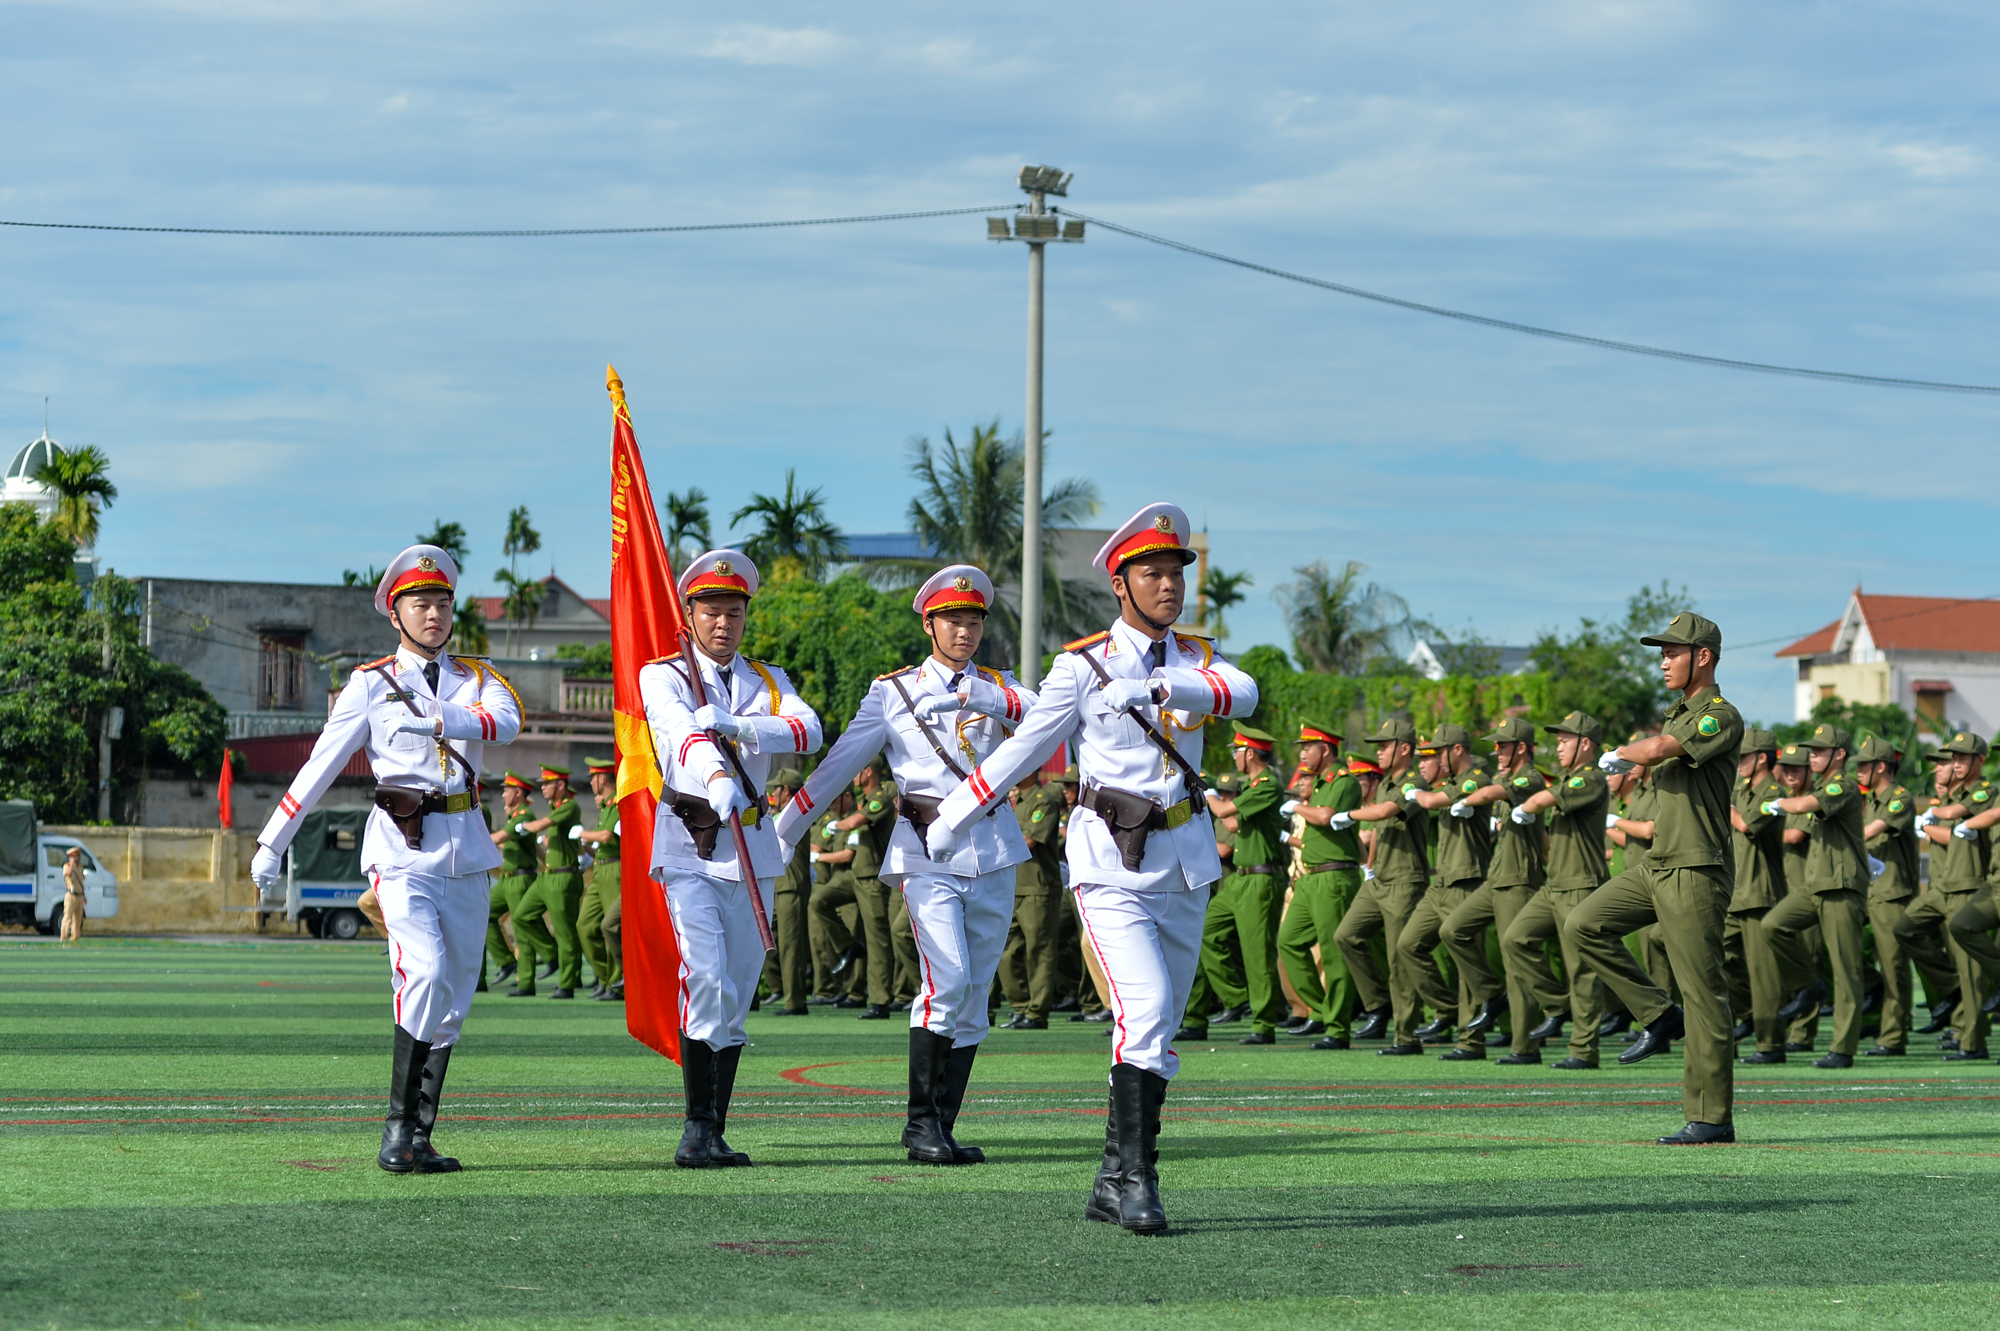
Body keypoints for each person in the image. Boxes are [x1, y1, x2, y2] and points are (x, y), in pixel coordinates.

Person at [924, 503, 1256, 1232]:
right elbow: (1021, 749)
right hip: (1109, 863)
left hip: (1185, 861)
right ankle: (1138, 1179)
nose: (1168, 585)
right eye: (1152, 573)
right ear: (1120, 584)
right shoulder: (1081, 665)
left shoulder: (1196, 659)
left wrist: (1163, 688)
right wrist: (953, 815)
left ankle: (1111, 1179)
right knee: (1144, 1008)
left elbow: (1244, 693)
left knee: (1161, 1024)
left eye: (1175, 573)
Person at [249, 544, 522, 1172]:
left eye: (442, 603)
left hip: (466, 849)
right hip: (401, 850)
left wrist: (441, 718)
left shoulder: (479, 677)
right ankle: (397, 1131)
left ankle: (419, 1135)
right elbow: (320, 766)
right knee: (424, 972)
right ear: (395, 614)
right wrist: (271, 841)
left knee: (454, 994)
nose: (434, 614)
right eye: (420, 604)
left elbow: (508, 723)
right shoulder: (372, 684)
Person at [777, 564, 1036, 1165]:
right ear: (929, 625)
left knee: (975, 993)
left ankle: (942, 1125)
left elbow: (1044, 714)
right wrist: (782, 832)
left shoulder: (1001, 686)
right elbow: (840, 764)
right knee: (947, 980)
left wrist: (982, 696)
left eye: (974, 621)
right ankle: (920, 1124)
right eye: (953, 620)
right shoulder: (892, 693)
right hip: (927, 852)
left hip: (995, 850)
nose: (965, 632)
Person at [639, 548, 823, 1168]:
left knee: (739, 986)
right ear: (689, 614)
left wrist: (741, 727)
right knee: (707, 976)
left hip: (752, 848)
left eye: (734, 613)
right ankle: (695, 1127)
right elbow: (679, 732)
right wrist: (717, 774)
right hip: (691, 844)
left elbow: (808, 731)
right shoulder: (663, 674)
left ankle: (716, 1127)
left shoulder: (768, 681)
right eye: (711, 611)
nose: (723, 623)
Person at [1563, 613, 1742, 1145]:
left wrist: (1620, 753)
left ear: (1702, 657)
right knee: (1583, 925)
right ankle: (1659, 1016)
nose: (1663, 662)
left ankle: (1711, 1117)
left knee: (1703, 993)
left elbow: (1662, 750)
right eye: (1661, 654)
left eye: (1672, 653)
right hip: (1660, 862)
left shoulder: (1719, 716)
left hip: (1696, 867)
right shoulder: (1676, 715)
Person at [1445, 717, 1566, 1065]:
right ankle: (1492, 994)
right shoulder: (1506, 779)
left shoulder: (1531, 778)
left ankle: (1525, 1047)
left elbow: (1490, 794)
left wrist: (1466, 800)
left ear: (1522, 748)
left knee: (1515, 962)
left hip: (1519, 880)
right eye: (1496, 746)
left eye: (1503, 746)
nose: (1497, 752)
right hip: (1497, 877)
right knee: (1453, 930)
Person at [1761, 724, 1870, 1069]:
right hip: (1815, 885)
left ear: (1840, 754)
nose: (1813, 756)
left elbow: (1808, 804)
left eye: (1821, 750)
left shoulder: (1843, 785)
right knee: (1773, 926)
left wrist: (1779, 803)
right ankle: (1809, 985)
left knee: (1846, 969)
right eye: (1813, 750)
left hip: (1840, 886)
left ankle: (1843, 1049)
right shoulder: (1824, 785)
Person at [1333, 721, 1433, 1055]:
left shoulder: (1415, 782)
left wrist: (1350, 814)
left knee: (1399, 961)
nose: (1378, 751)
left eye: (1384, 745)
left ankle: (1407, 1037)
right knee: (1346, 936)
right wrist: (1370, 866)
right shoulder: (1387, 782)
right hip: (1380, 878)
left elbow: (1387, 811)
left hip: (1405, 879)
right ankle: (1379, 1005)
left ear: (1404, 748)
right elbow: (1379, 829)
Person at [1200, 726, 1290, 1045]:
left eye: (1236, 751)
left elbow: (1224, 811)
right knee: (1206, 933)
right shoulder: (1253, 786)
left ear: (1250, 753)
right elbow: (1234, 822)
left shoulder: (1267, 784)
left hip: (1260, 878)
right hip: (1240, 878)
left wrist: (1207, 791)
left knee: (1257, 954)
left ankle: (1264, 1024)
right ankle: (1237, 999)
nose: (1234, 757)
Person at [1279, 722, 1365, 1050]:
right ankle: (1324, 1010)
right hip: (1311, 877)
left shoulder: (1343, 780)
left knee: (1332, 953)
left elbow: (1325, 816)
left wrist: (1296, 807)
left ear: (1324, 749)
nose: (1302, 753)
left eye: (1307, 747)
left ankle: (1338, 1028)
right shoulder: (1319, 783)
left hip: (1334, 876)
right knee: (1288, 942)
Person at [1855, 736, 1924, 1055]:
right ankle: (1875, 1006)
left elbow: (1870, 833)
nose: (1859, 771)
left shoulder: (1899, 798)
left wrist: (1843, 837)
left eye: (1864, 765)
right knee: (1848, 952)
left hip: (1891, 894)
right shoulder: (1870, 800)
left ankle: (1894, 1036)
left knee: (1893, 966)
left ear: (1881, 767)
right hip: (1869, 892)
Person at [1725, 730, 1790, 1064]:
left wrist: (1724, 804)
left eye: (1744, 757)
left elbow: (1748, 825)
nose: (1738, 763)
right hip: (1736, 891)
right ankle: (1750, 1015)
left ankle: (1771, 1044)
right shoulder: (1741, 790)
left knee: (1764, 974)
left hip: (1761, 892)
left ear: (1762, 758)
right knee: (1717, 959)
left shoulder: (1773, 793)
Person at [1000, 770, 1066, 1029]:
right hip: (1014, 886)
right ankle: (1020, 1007)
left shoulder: (1043, 800)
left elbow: (1028, 840)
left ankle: (1036, 1012)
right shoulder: (1015, 801)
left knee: (1039, 951)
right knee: (1007, 951)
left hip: (1038, 887)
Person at [513, 766, 585, 999]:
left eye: (547, 783)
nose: (542, 788)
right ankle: (551, 955)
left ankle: (568, 984)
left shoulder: (568, 806)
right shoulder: (556, 808)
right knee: (522, 915)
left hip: (563, 876)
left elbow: (537, 826)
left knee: (565, 932)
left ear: (560, 785)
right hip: (547, 875)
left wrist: (522, 825)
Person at [762, 770, 812, 1016]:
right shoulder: (785, 812)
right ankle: (779, 988)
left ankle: (795, 1001)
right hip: (780, 886)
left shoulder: (794, 812)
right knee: (764, 939)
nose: (773, 794)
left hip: (791, 886)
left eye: (776, 789)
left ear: (787, 790)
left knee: (791, 946)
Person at [485, 771, 539, 986]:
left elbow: (499, 837)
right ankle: (507, 962)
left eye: (506, 790)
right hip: (507, 879)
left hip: (520, 878)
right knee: (485, 913)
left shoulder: (524, 815)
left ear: (517, 792)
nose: (503, 795)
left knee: (521, 929)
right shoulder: (514, 817)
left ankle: (525, 980)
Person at [578, 757, 623, 1000]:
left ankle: (616, 984)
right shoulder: (606, 807)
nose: (591, 783)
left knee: (611, 926)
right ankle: (606, 977)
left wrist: (582, 833)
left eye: (592, 778)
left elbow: (606, 836)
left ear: (601, 778)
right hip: (600, 868)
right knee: (584, 925)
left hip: (613, 869)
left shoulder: (616, 804)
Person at [60, 847, 86, 943]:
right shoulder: (67, 866)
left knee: (78, 919)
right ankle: (63, 938)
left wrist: (84, 896)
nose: (78, 858)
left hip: (79, 895)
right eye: (75, 856)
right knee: (67, 917)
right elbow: (68, 874)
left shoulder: (80, 867)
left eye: (78, 856)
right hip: (71, 896)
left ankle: (75, 938)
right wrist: (71, 863)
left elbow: (81, 882)